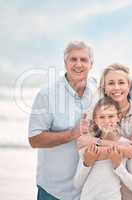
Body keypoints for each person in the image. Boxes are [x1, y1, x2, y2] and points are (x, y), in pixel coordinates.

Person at [28, 41, 97, 199]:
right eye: (73, 59)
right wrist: (72, 134)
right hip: (54, 191)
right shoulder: (47, 95)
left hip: (88, 191)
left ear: (91, 64)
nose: (78, 64)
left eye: (84, 60)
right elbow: (34, 139)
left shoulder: (98, 90)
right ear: (65, 62)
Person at [77, 63, 132, 200]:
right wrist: (121, 147)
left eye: (121, 83)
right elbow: (82, 142)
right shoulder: (93, 113)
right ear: (104, 88)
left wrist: (97, 143)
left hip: (128, 189)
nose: (116, 87)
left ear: (129, 86)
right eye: (111, 83)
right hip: (97, 190)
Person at [73, 97, 132, 200]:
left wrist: (118, 166)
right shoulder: (88, 144)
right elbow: (77, 184)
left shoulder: (128, 146)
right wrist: (87, 164)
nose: (106, 121)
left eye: (111, 116)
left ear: (118, 117)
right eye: (102, 117)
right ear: (95, 119)